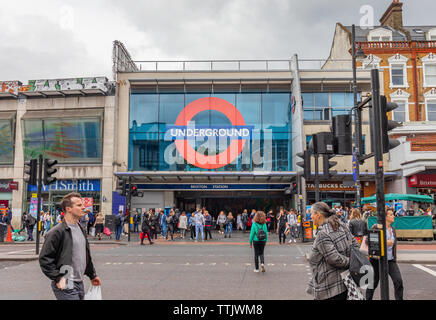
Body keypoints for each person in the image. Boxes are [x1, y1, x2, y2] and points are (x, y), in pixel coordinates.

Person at [39, 192, 101, 300]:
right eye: (79, 205)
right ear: (68, 209)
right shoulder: (57, 232)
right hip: (66, 281)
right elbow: (44, 258)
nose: (83, 207)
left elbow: (84, 255)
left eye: (82, 205)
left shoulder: (80, 229)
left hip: (79, 282)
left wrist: (92, 275)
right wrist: (58, 278)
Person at [306, 202, 360, 300]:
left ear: (318, 215)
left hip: (329, 287)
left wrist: (349, 261)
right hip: (344, 283)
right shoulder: (341, 225)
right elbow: (356, 245)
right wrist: (351, 259)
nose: (311, 216)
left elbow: (334, 259)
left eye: (312, 213)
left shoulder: (323, 234)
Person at [365, 208, 404, 300]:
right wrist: (384, 243)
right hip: (377, 260)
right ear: (385, 217)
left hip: (390, 260)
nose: (393, 216)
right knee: (373, 283)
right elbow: (368, 240)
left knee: (398, 281)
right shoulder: (377, 226)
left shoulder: (393, 229)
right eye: (391, 214)